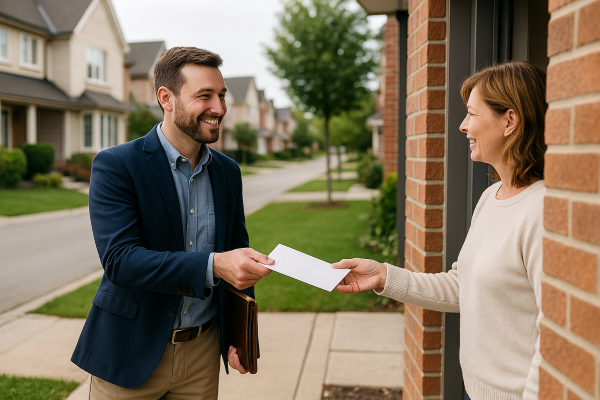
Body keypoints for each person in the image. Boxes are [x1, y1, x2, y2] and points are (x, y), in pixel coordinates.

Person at [333, 61, 547, 400]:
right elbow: (462, 286)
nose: (463, 126)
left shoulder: (542, 211)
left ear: (510, 121)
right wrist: (383, 277)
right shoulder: (490, 198)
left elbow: (552, 332)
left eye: (472, 115)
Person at [72, 47, 274, 399]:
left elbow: (237, 255)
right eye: (205, 96)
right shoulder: (116, 165)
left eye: (222, 96)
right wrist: (214, 265)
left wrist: (240, 335)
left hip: (202, 355)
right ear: (166, 98)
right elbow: (121, 261)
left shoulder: (227, 171)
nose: (220, 108)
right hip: (130, 352)